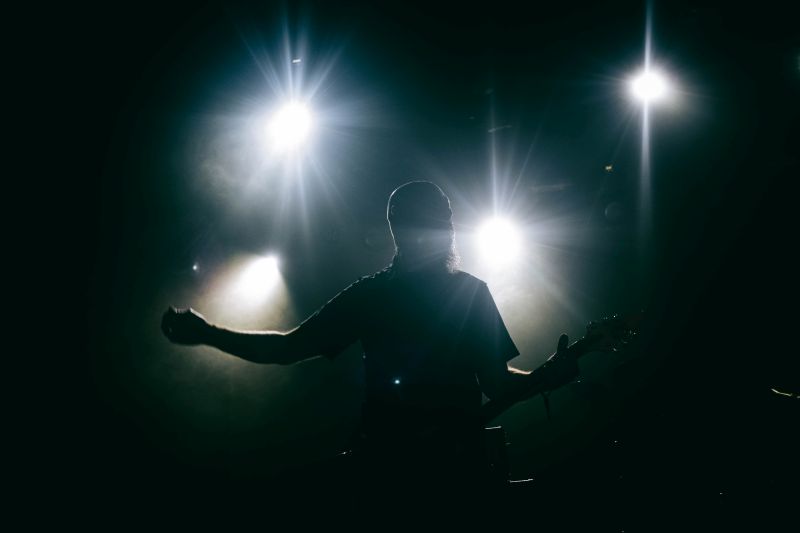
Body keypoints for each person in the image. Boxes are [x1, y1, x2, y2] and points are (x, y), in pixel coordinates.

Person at [162, 180, 579, 500]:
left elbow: (288, 349)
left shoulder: (388, 294)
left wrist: (207, 334)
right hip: (436, 471)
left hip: (402, 467)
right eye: (436, 220)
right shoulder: (445, 293)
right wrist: (208, 333)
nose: (444, 230)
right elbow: (499, 384)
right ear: (404, 229)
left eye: (445, 221)